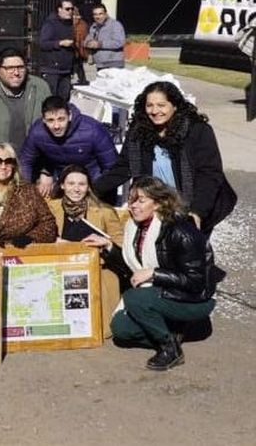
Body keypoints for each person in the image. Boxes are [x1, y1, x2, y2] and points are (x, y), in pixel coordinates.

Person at [83, 177, 219, 371]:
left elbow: (197, 281)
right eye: (131, 200)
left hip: (193, 298)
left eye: (141, 200)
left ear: (158, 203)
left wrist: (155, 274)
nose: (133, 206)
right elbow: (135, 269)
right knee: (121, 330)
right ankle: (172, 330)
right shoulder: (136, 227)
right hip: (161, 292)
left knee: (133, 298)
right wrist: (109, 246)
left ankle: (170, 348)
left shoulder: (181, 231)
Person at [94, 81, 236, 237]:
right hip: (155, 205)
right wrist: (91, 190)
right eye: (150, 105)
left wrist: (197, 212)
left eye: (161, 105)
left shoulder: (197, 131)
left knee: (188, 254)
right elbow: (123, 167)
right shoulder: (139, 131)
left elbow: (208, 175)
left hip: (192, 204)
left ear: (174, 106)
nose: (155, 111)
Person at [47, 164, 125, 333]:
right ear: (62, 185)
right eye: (71, 184)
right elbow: (38, 237)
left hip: (96, 269)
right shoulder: (49, 208)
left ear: (88, 187)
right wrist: (54, 240)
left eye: (81, 184)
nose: (76, 189)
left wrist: (106, 242)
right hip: (60, 268)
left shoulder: (104, 211)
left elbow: (122, 248)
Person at [18, 95, 117, 197]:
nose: (56, 126)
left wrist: (96, 190)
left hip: (92, 176)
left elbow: (111, 166)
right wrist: (25, 190)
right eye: (51, 120)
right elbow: (25, 161)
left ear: (69, 116)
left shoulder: (92, 130)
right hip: (62, 177)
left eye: (61, 119)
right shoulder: (37, 132)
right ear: (43, 120)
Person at [0, 46, 51, 159]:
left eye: (20, 67)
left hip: (33, 160)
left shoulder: (40, 88)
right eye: (10, 68)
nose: (16, 72)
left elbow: (50, 123)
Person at [38, 0, 77, 101]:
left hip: (66, 69)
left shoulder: (70, 24)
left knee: (64, 100)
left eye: (72, 9)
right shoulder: (50, 24)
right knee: (51, 100)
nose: (70, 11)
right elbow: (43, 44)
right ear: (59, 9)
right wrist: (60, 43)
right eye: (67, 9)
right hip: (52, 70)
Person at [86, 3, 126, 71]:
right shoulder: (93, 27)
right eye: (95, 14)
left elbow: (120, 42)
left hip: (113, 64)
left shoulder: (115, 25)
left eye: (100, 14)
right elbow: (87, 39)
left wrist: (100, 44)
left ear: (106, 14)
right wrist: (88, 43)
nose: (98, 16)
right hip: (99, 64)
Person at [71, 7, 90, 86]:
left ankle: (83, 80)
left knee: (79, 64)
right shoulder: (82, 23)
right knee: (77, 64)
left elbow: (84, 36)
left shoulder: (82, 24)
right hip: (76, 48)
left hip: (79, 48)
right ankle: (81, 79)